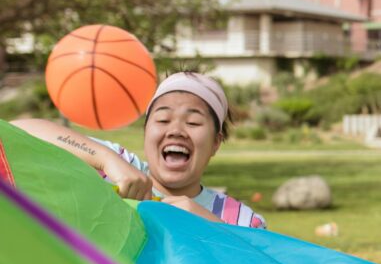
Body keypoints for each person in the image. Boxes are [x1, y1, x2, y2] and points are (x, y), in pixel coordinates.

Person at [12, 71, 266, 229]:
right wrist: (105, 159)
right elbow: (19, 130)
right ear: (146, 133)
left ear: (215, 143)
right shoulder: (116, 168)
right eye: (163, 120)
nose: (176, 130)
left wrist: (209, 226)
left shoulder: (240, 219)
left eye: (193, 123)